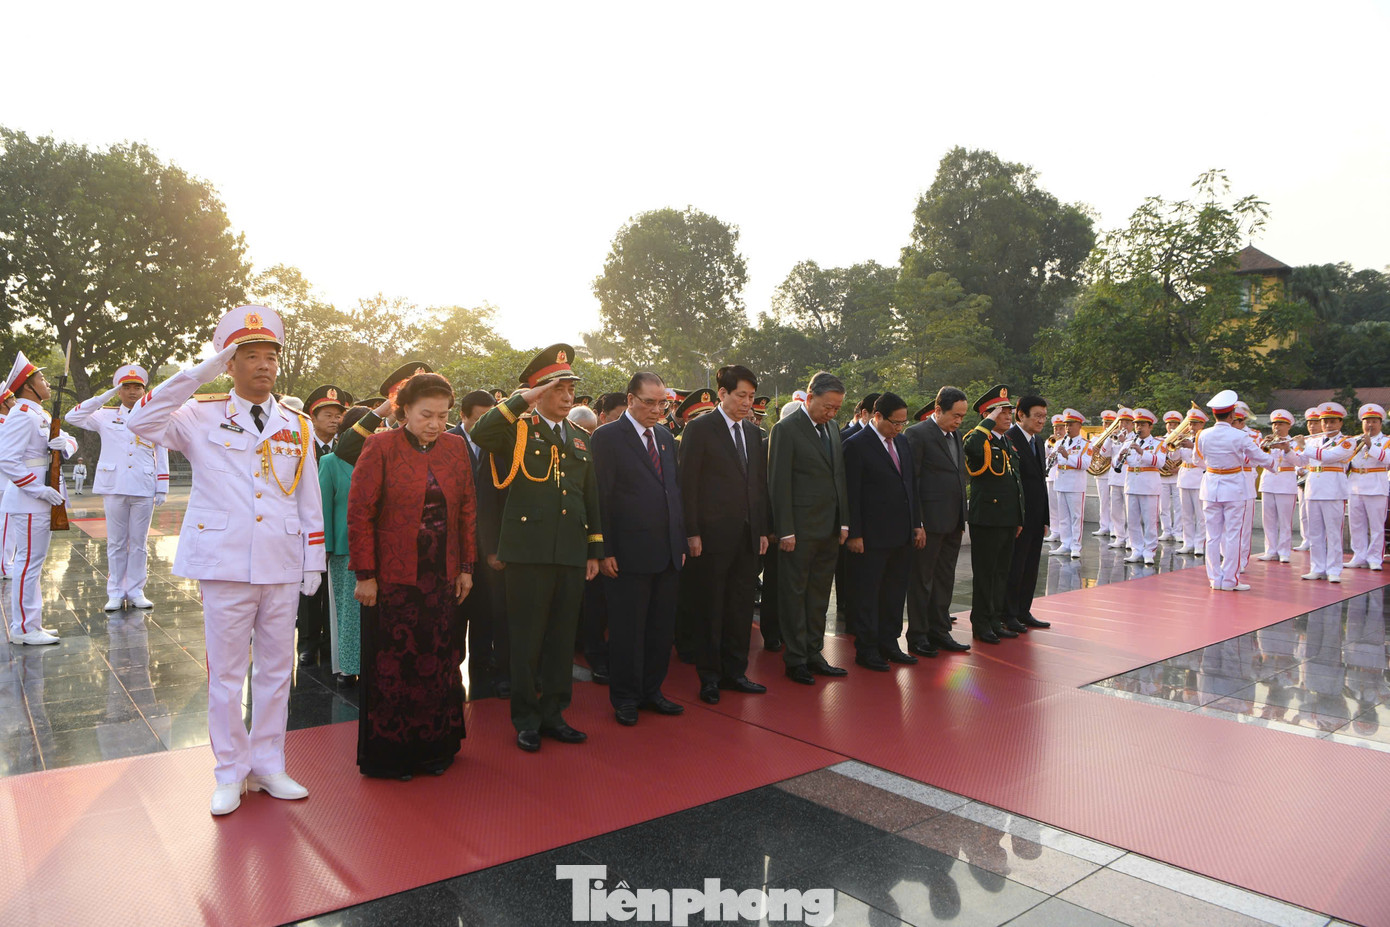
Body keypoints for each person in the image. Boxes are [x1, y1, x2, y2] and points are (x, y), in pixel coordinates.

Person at [126, 306, 325, 815]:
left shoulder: (296, 423)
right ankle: (229, 772)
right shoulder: (198, 414)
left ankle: (269, 765)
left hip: (281, 561)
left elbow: (308, 497)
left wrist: (314, 560)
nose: (264, 366)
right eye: (250, 357)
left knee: (277, 671)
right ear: (229, 364)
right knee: (227, 675)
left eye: (271, 357)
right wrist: (198, 374)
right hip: (224, 562)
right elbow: (140, 419)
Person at [471, 344, 603, 752]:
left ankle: (555, 714)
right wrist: (522, 398)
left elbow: (590, 497)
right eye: (558, 389)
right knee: (527, 639)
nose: (567, 397)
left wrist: (594, 549)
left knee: (562, 640)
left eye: (570, 390)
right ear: (538, 391)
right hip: (527, 553)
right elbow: (482, 432)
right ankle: (527, 718)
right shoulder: (516, 429)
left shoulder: (580, 439)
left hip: (568, 551)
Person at [347, 372, 476, 779]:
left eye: (442, 415)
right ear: (404, 411)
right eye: (426, 415)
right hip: (393, 577)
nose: (436, 424)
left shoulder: (455, 448)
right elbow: (360, 514)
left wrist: (466, 568)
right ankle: (393, 754)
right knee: (394, 667)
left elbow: (469, 511)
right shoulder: (379, 445)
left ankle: (435, 746)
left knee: (439, 662)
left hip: (441, 576)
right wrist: (365, 574)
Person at [591, 371, 686, 726]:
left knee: (661, 629)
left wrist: (681, 541)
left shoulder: (665, 436)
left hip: (667, 551)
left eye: (663, 403)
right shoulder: (607, 437)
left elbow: (672, 493)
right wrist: (605, 550)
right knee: (628, 629)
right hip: (626, 553)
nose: (657, 409)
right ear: (630, 399)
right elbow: (602, 496)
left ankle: (652, 691)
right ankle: (626, 697)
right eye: (649, 402)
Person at [678, 364, 770, 703]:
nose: (747, 403)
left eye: (750, 397)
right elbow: (687, 485)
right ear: (722, 394)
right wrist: (692, 532)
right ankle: (710, 677)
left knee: (740, 608)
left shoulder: (752, 433)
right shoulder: (700, 429)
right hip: (711, 538)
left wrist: (760, 529)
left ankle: (736, 672)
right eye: (741, 396)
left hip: (747, 536)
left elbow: (756, 486)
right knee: (711, 608)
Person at [65, 364, 171, 611]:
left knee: (139, 542)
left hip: (143, 485)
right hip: (114, 485)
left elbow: (161, 449)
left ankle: (136, 590)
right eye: (126, 387)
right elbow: (73, 417)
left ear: (145, 391)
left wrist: (162, 486)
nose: (132, 392)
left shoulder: (153, 415)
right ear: (119, 391)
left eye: (137, 387)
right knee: (115, 541)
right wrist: (104, 396)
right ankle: (114, 591)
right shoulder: (105, 415)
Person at [768, 372, 850, 685]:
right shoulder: (785, 429)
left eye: (836, 408)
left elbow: (839, 477)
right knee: (794, 594)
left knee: (819, 595)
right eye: (828, 406)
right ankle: (796, 658)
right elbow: (779, 483)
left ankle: (815, 652)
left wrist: (843, 522)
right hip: (798, 531)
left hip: (829, 528)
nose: (831, 413)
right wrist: (785, 530)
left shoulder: (831, 428)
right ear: (810, 396)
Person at [0, 352, 77, 645]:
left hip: (41, 496)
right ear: (28, 386)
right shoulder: (21, 415)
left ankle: (31, 621)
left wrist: (64, 444)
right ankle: (23, 627)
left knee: (34, 562)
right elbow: (7, 460)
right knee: (28, 563)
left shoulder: (40, 414)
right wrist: (37, 489)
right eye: (41, 378)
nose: (46, 382)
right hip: (30, 499)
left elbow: (70, 439)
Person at [843, 392, 924, 670]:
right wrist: (854, 533)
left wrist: (917, 524)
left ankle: (890, 643)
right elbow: (851, 495)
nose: (899, 428)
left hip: (901, 533)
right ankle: (867, 649)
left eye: (903, 423)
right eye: (894, 423)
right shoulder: (856, 445)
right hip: (871, 536)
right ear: (876, 416)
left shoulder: (902, 442)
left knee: (894, 592)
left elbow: (910, 486)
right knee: (868, 594)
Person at [903, 387, 971, 656]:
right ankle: (918, 636)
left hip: (953, 520)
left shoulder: (955, 435)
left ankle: (940, 631)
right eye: (955, 415)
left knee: (945, 578)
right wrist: (916, 522)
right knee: (922, 580)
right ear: (938, 410)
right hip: (929, 523)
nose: (959, 421)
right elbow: (913, 481)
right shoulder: (917, 434)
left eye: (962, 416)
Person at [962, 385, 1023, 643]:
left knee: (1001, 573)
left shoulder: (1006, 442)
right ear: (988, 415)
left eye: (1010, 411)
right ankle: (981, 622)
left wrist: (1019, 517)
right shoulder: (978, 438)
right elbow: (972, 447)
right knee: (986, 573)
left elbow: (1015, 482)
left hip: (1007, 518)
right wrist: (986, 422)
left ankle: (995, 618)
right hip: (987, 519)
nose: (1008, 416)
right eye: (1002, 412)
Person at [1195, 390, 1273, 592]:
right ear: (1231, 415)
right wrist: (1274, 463)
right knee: (1233, 535)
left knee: (1212, 536)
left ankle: (1214, 579)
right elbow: (1260, 457)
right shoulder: (1240, 435)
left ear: (1214, 415)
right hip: (1234, 487)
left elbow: (1197, 460)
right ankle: (1230, 579)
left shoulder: (1202, 435)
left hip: (1211, 485)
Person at [318, 405, 371, 687]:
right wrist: (323, 548)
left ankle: (373, 662)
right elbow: (324, 509)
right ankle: (349, 667)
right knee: (348, 611)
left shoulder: (381, 458)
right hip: (344, 549)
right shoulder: (331, 462)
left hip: (379, 548)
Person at [1004, 395, 1052, 631]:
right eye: (1037, 416)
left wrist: (1045, 518)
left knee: (1032, 566)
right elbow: (1013, 483)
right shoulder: (1009, 439)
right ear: (1020, 415)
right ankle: (1009, 613)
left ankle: (1024, 610)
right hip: (1019, 517)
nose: (1042, 421)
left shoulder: (1039, 441)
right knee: (1016, 565)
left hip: (1036, 516)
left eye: (1044, 416)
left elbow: (1040, 483)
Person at [334, 361, 434, 466]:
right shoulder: (383, 440)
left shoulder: (445, 436)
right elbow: (344, 451)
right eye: (411, 400)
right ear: (395, 403)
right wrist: (378, 413)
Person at [1118, 409, 1176, 566]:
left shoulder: (1158, 443)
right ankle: (1136, 549)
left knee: (1150, 521)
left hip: (1149, 486)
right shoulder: (1128, 442)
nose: (1139, 428)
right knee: (1133, 520)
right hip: (1131, 484)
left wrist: (1141, 451)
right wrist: (1119, 456)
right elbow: (1115, 464)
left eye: (1142, 425)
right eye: (1137, 425)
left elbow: (1160, 462)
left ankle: (1150, 551)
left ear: (1150, 427)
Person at [1344, 404, 1388, 572]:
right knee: (1356, 524)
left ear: (1380, 423)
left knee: (1376, 525)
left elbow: (1387, 459)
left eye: (1374, 421)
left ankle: (1375, 558)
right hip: (1355, 485)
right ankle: (1359, 555)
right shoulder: (1354, 440)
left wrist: (1370, 445)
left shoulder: (1386, 440)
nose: (1370, 424)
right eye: (1367, 421)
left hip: (1376, 486)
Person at [1256, 410, 1300, 564]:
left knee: (1285, 520)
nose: (1277, 427)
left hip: (1286, 483)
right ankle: (1270, 550)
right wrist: (1262, 447)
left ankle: (1284, 551)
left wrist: (1287, 449)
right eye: (1275, 424)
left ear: (1288, 426)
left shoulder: (1295, 442)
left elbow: (1300, 462)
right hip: (1268, 482)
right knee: (1268, 520)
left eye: (1281, 424)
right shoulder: (1267, 442)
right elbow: (1259, 461)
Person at [1048, 408, 1091, 559]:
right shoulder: (1059, 442)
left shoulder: (1086, 444)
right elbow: (1052, 463)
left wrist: (1067, 457)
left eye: (1071, 424)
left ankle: (1075, 546)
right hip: (1061, 482)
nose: (1067, 428)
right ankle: (1065, 544)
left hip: (1075, 484)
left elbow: (1085, 464)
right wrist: (1051, 458)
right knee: (1063, 516)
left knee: (1076, 517)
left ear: (1079, 426)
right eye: (1066, 425)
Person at [1174, 409, 1209, 556]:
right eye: (1190, 424)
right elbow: (1173, 457)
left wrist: (1191, 446)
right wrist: (1175, 445)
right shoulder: (1186, 438)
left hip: (1198, 477)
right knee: (1186, 514)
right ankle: (1188, 542)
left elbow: (1207, 456)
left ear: (1202, 424)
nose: (1192, 427)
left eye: (1195, 424)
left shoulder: (1205, 438)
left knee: (1200, 515)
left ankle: (1200, 543)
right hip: (1184, 477)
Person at [1292, 407, 1320, 552]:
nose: (1312, 426)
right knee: (1303, 512)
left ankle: (1318, 540)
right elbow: (1296, 459)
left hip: (1318, 478)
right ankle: (1306, 539)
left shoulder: (1324, 440)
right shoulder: (1304, 440)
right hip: (1304, 480)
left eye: (1315, 423)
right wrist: (1298, 470)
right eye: (1309, 423)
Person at [1158, 410, 1184, 541]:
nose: (1172, 426)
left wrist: (1179, 469)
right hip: (1162, 478)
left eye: (1175, 424)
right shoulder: (1159, 440)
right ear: (1166, 426)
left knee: (1179, 506)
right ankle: (1166, 531)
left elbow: (1187, 458)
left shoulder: (1184, 440)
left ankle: (1178, 531)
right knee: (1163, 506)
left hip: (1177, 477)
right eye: (1170, 424)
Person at [1091, 410, 1117, 538]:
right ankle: (1104, 526)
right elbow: (1090, 453)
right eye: (1106, 423)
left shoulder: (1117, 437)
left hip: (1113, 471)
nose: (1107, 425)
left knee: (1115, 501)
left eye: (1110, 423)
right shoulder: (1096, 438)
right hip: (1101, 471)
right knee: (1103, 500)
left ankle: (1114, 527)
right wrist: (1093, 450)